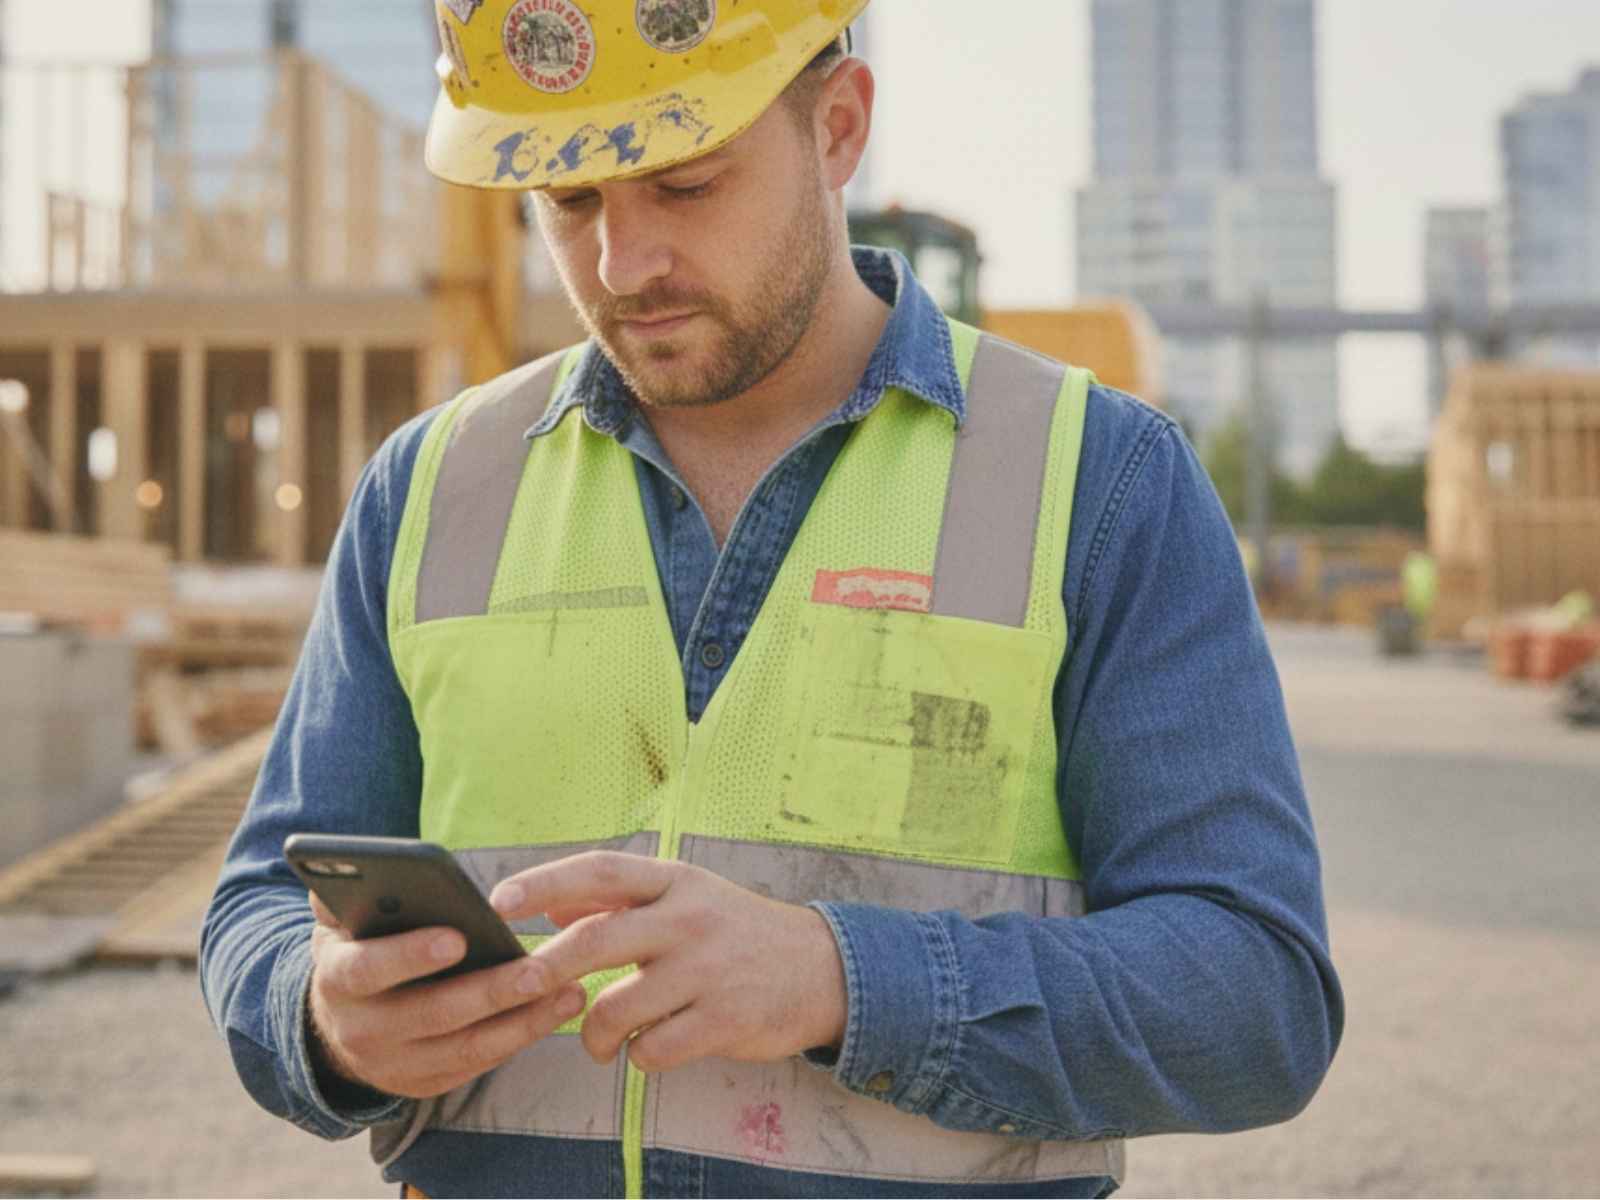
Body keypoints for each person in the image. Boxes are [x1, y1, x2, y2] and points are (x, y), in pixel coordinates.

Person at [201, 2, 1344, 1196]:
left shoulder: (1097, 481)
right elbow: (261, 912)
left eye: (685, 183)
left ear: (838, 127)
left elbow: (1253, 1001)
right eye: (570, 201)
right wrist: (320, 1016)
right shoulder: (430, 486)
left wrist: (838, 979)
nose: (619, 265)